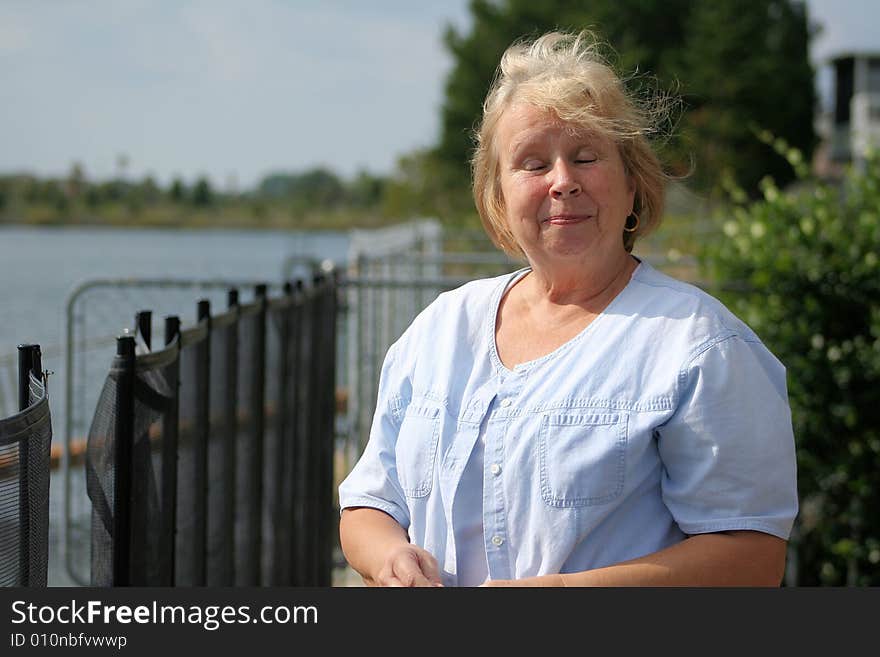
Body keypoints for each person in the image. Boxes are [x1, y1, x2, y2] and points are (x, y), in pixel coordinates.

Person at [338, 30, 798, 587]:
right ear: (498, 196)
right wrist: (389, 558)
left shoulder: (701, 347)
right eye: (532, 164)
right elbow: (368, 504)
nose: (562, 182)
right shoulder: (440, 327)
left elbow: (751, 558)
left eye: (586, 157)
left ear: (633, 183)